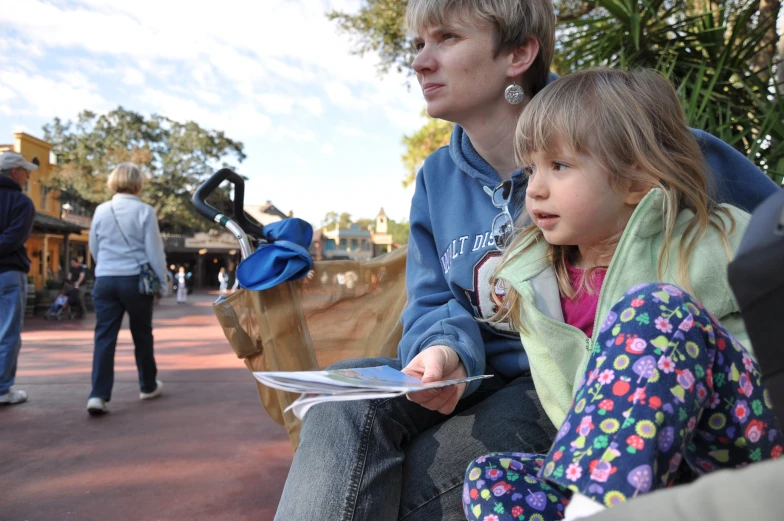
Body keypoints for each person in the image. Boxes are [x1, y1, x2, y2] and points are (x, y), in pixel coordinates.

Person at [274, 1, 780, 519]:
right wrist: (445, 349)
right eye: (417, 44)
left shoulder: (627, 134)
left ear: (519, 52)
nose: (421, 62)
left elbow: (769, 239)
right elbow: (433, 301)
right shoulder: (435, 180)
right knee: (347, 402)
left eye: (445, 38)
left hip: (575, 390)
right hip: (480, 378)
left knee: (406, 487)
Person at [463, 68, 784, 521]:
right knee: (492, 479)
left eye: (559, 165)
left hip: (744, 443)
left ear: (635, 180)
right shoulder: (532, 278)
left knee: (654, 310)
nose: (533, 187)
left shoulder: (717, 237)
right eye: (531, 167)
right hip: (641, 479)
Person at [86, 163, 167, 415]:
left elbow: (93, 246)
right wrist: (162, 283)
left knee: (104, 336)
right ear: (137, 183)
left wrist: (106, 268)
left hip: (106, 278)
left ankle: (98, 395)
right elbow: (154, 251)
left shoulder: (101, 210)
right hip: (135, 280)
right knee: (142, 333)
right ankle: (147, 385)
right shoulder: (145, 211)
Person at [0, 152, 36, 406]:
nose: (28, 175)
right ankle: (2, 388)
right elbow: (14, 238)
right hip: (8, 272)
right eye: (25, 171)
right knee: (8, 331)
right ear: (15, 173)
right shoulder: (21, 202)